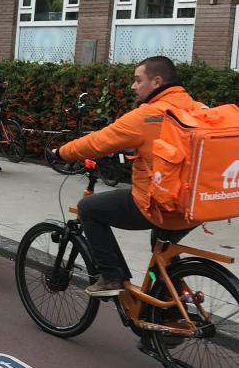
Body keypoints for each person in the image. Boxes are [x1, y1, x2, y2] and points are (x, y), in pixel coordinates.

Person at [50, 56, 203, 297]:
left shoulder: (149, 115)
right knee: (162, 251)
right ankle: (170, 305)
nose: (133, 86)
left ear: (156, 82)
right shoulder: (198, 108)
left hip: (159, 205)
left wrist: (60, 153)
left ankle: (112, 277)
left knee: (89, 208)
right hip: (195, 205)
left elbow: (99, 141)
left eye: (138, 80)